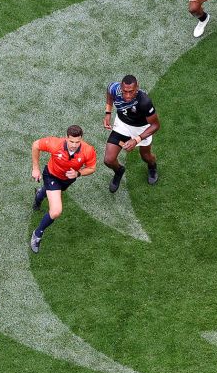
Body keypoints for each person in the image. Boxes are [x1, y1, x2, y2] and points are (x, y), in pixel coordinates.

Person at [29, 125, 98, 254]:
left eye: (77, 142)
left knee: (49, 192)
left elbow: (92, 168)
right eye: (71, 141)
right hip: (51, 176)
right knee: (56, 211)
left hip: (68, 179)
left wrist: (78, 173)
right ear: (66, 138)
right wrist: (36, 168)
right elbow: (36, 145)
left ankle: (39, 194)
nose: (74, 145)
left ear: (81, 139)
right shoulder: (56, 144)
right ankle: (37, 234)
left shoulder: (88, 150)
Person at [103, 75, 161, 191]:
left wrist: (136, 140)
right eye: (125, 91)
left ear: (137, 88)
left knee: (146, 156)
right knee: (108, 160)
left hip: (141, 128)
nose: (128, 95)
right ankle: (119, 171)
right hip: (122, 125)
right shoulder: (114, 88)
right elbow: (109, 94)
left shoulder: (144, 101)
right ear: (120, 87)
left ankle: (152, 167)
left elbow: (155, 125)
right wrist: (108, 113)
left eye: (131, 92)